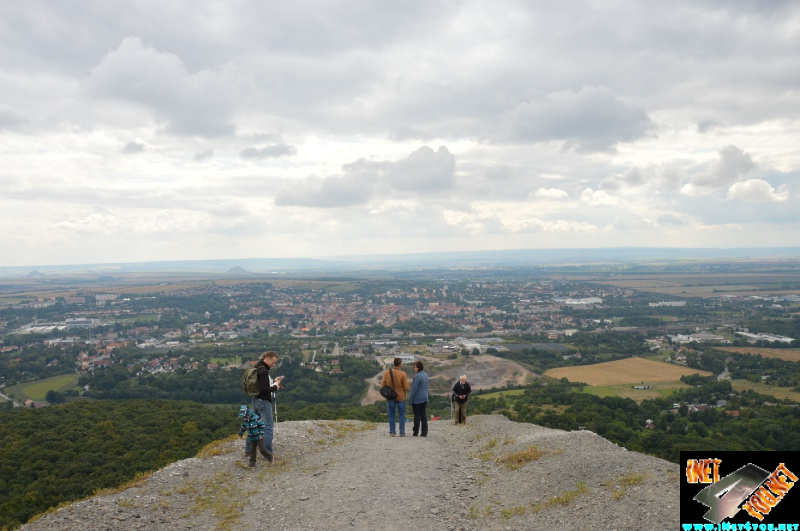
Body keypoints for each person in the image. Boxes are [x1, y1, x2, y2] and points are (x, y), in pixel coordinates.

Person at [245, 351, 285, 462]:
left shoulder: (257, 367)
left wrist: (273, 381)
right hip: (263, 401)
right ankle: (268, 453)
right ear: (267, 358)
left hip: (255, 400)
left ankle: (248, 451)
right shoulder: (263, 371)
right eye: (273, 362)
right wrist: (275, 387)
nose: (273, 364)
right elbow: (264, 389)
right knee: (268, 427)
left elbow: (261, 384)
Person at [380, 357, 410, 436]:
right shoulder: (403, 374)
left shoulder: (387, 372)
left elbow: (382, 384)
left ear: (394, 364)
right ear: (400, 364)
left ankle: (392, 431)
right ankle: (402, 432)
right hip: (401, 397)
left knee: (391, 414)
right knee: (402, 414)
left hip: (391, 397)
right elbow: (406, 387)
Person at [409, 360, 429, 437]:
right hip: (424, 398)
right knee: (423, 414)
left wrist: (411, 399)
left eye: (415, 367)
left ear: (418, 367)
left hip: (417, 399)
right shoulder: (426, 375)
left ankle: (415, 431)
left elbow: (414, 390)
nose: (414, 368)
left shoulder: (417, 376)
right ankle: (424, 432)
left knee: (417, 415)